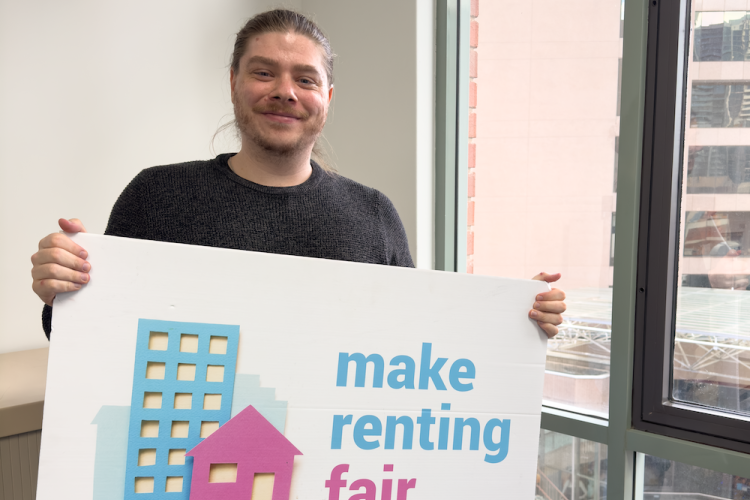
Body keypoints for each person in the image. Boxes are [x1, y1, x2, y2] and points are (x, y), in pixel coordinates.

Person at [30, 9, 566, 339]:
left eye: (305, 79)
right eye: (263, 72)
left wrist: (512, 320)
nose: (285, 91)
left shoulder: (374, 214)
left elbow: (411, 345)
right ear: (235, 82)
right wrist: (63, 294)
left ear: (326, 99)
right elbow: (97, 343)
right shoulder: (158, 195)